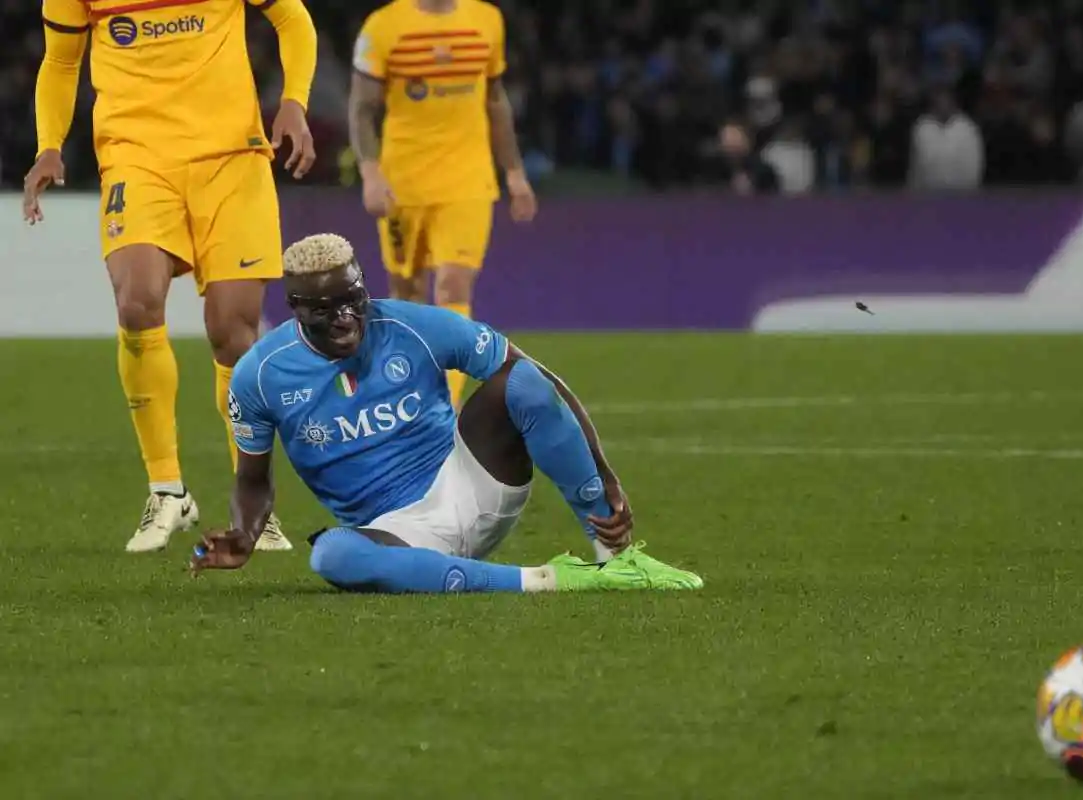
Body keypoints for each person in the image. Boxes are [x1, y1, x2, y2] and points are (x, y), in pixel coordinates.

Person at [188, 234, 702, 594]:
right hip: (397, 535)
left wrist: (604, 475)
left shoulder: (412, 325)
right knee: (331, 556)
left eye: (354, 300)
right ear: (297, 309)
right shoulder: (259, 375)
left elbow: (539, 380)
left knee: (521, 379)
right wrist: (244, 534)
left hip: (472, 485)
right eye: (326, 310)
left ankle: (618, 559)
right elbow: (252, 479)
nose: (346, 319)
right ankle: (552, 580)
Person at [23, 0, 319, 553]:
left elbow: (292, 17)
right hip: (137, 157)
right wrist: (48, 146)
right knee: (136, 301)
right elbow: (60, 61)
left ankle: (252, 501)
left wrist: (293, 102)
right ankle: (166, 490)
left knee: (232, 331)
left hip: (232, 158)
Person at [347, 0, 537, 410]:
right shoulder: (383, 26)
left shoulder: (487, 20)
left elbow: (495, 100)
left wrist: (515, 174)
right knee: (408, 292)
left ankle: (443, 406)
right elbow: (362, 108)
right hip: (404, 183)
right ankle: (406, 389)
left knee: (454, 284)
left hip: (468, 180)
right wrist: (371, 173)